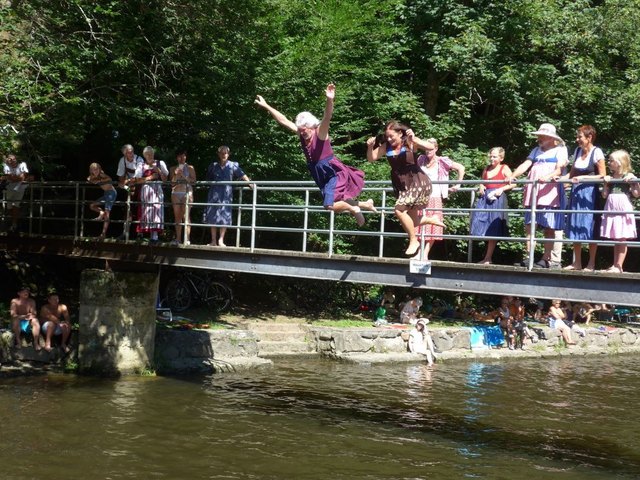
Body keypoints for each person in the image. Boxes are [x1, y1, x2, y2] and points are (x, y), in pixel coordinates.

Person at [256, 84, 377, 227]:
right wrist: (266, 106)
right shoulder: (302, 134)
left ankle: (354, 208)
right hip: (319, 173)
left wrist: (330, 99)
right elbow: (284, 121)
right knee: (339, 199)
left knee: (330, 205)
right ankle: (366, 204)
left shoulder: (320, 133)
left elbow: (327, 117)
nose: (302, 133)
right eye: (300, 130)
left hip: (332, 172)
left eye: (304, 130)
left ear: (311, 126)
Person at [366, 122, 444, 257]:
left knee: (399, 210)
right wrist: (370, 147)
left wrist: (414, 139)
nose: (389, 139)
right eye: (387, 137)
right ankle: (430, 219)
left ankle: (414, 240)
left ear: (400, 133)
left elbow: (430, 146)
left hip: (417, 181)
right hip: (402, 185)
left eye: (391, 136)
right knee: (412, 220)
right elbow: (371, 158)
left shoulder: (409, 142)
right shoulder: (386, 146)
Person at [509, 123, 568, 269]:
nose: (539, 139)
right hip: (534, 190)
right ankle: (529, 256)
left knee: (549, 226)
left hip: (550, 191)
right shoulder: (536, 151)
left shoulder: (560, 150)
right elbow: (526, 164)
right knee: (530, 225)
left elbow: (560, 169)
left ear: (550, 137)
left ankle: (546, 258)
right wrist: (513, 175)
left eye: (542, 136)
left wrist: (548, 176)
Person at [563, 125, 606, 271]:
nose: (577, 140)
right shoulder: (577, 151)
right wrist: (560, 179)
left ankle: (591, 263)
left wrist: (583, 178)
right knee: (575, 223)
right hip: (576, 192)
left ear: (589, 137)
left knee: (590, 225)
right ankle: (577, 263)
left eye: (580, 137)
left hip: (590, 193)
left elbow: (602, 175)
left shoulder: (596, 152)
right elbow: (571, 174)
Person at [416, 138, 465, 259]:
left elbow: (461, 168)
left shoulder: (442, 161)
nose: (428, 151)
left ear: (436, 149)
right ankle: (419, 253)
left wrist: (458, 184)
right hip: (421, 197)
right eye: (426, 149)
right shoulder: (420, 160)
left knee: (433, 226)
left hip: (435, 196)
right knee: (419, 224)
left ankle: (425, 253)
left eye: (431, 149)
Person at [470, 147, 514, 264]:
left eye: (494, 156)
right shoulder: (487, 168)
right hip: (485, 199)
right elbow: (483, 181)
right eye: (491, 156)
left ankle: (488, 257)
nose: (491, 158)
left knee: (493, 228)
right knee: (478, 221)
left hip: (497, 199)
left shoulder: (504, 168)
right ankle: (486, 257)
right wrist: (481, 185)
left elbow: (513, 183)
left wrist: (502, 188)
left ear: (501, 158)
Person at [599, 150, 640, 273]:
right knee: (616, 238)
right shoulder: (611, 178)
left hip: (622, 207)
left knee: (622, 238)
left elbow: (637, 194)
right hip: (611, 208)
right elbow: (604, 195)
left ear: (620, 163)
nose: (609, 162)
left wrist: (634, 182)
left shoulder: (628, 176)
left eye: (612, 161)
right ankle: (615, 264)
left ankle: (619, 265)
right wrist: (606, 184)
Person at [204, 146, 252, 247]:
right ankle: (213, 240)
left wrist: (250, 184)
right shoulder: (213, 166)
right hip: (214, 193)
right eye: (221, 153)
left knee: (225, 216)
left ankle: (221, 240)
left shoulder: (232, 165)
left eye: (225, 153)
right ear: (218, 154)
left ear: (228, 154)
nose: (223, 155)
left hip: (226, 194)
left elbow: (242, 174)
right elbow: (207, 179)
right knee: (213, 216)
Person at [134, 146, 169, 243]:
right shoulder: (141, 165)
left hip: (157, 190)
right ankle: (141, 235)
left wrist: (159, 171)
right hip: (146, 190)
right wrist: (150, 177)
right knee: (146, 210)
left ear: (153, 154)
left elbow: (165, 180)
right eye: (147, 154)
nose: (149, 156)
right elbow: (137, 180)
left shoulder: (160, 163)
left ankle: (154, 236)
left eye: (151, 154)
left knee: (157, 210)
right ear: (144, 156)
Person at [116, 144, 144, 240]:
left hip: (140, 186)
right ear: (125, 154)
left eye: (132, 151)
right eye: (128, 152)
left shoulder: (139, 159)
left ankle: (140, 234)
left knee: (141, 208)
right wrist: (124, 184)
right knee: (128, 209)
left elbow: (138, 175)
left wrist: (127, 181)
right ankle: (125, 233)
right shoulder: (122, 160)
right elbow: (120, 177)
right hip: (129, 188)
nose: (131, 153)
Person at [169, 149, 196, 245]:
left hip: (187, 192)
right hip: (176, 193)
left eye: (183, 156)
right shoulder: (172, 168)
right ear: (177, 158)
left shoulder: (190, 168)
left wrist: (184, 175)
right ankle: (178, 238)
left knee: (186, 216)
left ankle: (187, 239)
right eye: (180, 156)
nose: (182, 158)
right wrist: (176, 174)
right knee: (177, 217)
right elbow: (172, 184)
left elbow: (193, 181)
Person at [87, 162, 117, 239]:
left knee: (107, 213)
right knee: (92, 205)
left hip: (111, 193)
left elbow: (110, 179)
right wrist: (94, 180)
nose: (95, 171)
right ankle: (101, 212)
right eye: (94, 170)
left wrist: (100, 180)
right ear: (91, 171)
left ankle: (103, 234)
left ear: (99, 169)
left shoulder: (102, 174)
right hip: (106, 194)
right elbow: (89, 179)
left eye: (97, 169)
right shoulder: (93, 176)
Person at [2, 153, 29, 232]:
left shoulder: (22, 164)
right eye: (10, 159)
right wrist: (18, 177)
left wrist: (13, 178)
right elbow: (13, 178)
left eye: (13, 159)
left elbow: (22, 177)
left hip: (20, 188)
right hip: (10, 188)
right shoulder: (6, 166)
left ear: (16, 159)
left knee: (16, 205)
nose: (12, 160)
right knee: (9, 207)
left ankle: (14, 223)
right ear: (8, 160)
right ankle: (14, 220)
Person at [10, 286, 41, 350]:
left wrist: (31, 315)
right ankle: (18, 342)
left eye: (27, 291)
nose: (26, 293)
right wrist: (23, 316)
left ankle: (36, 343)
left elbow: (34, 313)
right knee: (16, 320)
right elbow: (13, 314)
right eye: (24, 291)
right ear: (19, 293)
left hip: (27, 322)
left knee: (35, 320)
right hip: (17, 322)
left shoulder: (31, 301)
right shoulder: (14, 301)